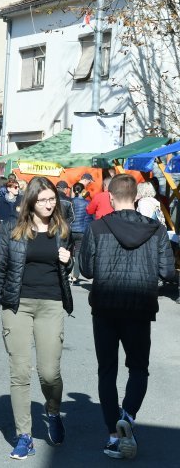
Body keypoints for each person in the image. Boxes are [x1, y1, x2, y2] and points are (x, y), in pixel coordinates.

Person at [79, 174, 174, 460]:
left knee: (107, 371)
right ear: (135, 197)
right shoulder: (156, 230)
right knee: (138, 368)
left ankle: (112, 435)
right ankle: (128, 417)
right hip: (139, 308)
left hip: (105, 307)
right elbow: (168, 272)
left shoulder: (96, 228)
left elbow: (86, 270)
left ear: (109, 197)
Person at [0, 177, 74, 459]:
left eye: (52, 199)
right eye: (43, 199)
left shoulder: (61, 229)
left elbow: (71, 266)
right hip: (16, 306)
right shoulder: (12, 228)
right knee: (20, 371)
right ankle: (24, 436)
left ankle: (53, 410)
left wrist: (68, 260)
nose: (49, 204)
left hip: (51, 304)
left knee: (49, 372)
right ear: (31, 201)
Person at [69, 182, 92, 284]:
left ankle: (67, 273)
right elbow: (90, 218)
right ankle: (75, 276)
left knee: (67, 252)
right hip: (81, 231)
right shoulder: (87, 203)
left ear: (73, 191)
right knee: (78, 254)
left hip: (69, 230)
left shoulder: (70, 202)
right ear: (83, 191)